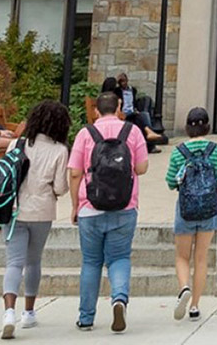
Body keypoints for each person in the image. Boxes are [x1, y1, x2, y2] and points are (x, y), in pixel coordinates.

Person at [68, 92, 149, 333]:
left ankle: (86, 317)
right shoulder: (132, 131)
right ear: (119, 107)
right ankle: (119, 299)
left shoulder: (85, 133)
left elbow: (74, 173)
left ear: (96, 111)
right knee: (120, 258)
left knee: (91, 262)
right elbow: (142, 168)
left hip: (90, 207)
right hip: (125, 206)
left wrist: (75, 205)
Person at [0, 100, 70, 339]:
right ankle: (28, 312)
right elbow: (60, 188)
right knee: (33, 262)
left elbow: (5, 174)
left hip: (15, 210)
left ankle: (9, 312)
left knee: (14, 263)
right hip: (42, 212)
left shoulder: (17, 144)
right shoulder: (60, 150)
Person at [165, 107, 217, 322]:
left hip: (186, 210)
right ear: (207, 126)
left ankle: (184, 288)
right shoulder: (215, 150)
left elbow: (171, 182)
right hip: (209, 211)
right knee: (201, 259)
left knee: (182, 256)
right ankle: (195, 306)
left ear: (188, 127)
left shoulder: (179, 151)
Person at [102, 76, 162, 153]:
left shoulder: (107, 97)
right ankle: (150, 140)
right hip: (118, 117)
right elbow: (115, 110)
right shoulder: (113, 96)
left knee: (142, 115)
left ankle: (149, 137)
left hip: (124, 115)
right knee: (139, 118)